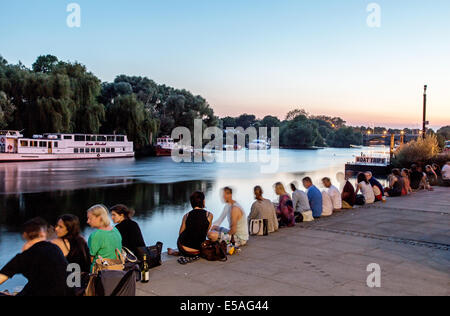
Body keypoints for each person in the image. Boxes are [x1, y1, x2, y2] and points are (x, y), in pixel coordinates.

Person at [0, 218, 70, 296]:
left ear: (24, 235)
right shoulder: (55, 249)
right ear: (42, 234)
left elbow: (1, 278)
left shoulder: (25, 256)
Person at [168, 191, 213, 260]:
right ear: (203, 201)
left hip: (184, 249)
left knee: (185, 238)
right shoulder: (209, 215)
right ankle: (178, 252)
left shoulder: (186, 215)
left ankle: (177, 252)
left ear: (192, 203)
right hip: (198, 250)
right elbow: (204, 232)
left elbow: (180, 234)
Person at [87, 204, 122, 272]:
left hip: (100, 272)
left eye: (90, 218)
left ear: (100, 218)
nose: (87, 221)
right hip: (117, 269)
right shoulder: (115, 230)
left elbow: (90, 260)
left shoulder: (95, 235)